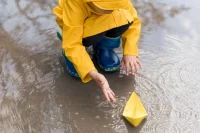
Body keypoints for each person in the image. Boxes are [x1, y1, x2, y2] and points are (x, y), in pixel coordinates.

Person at [53, 0, 142, 103]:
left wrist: (130, 52)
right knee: (75, 42)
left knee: (125, 17)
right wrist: (92, 73)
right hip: (73, 26)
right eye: (107, 6)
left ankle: (104, 47)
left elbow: (133, 20)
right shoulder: (74, 3)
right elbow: (73, 44)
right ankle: (72, 53)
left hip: (98, 23)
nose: (112, 9)